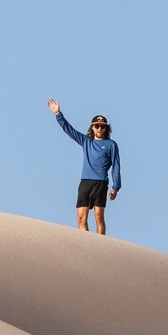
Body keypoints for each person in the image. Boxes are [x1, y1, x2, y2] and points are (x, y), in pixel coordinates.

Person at [46, 99, 121, 234]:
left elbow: (116, 166)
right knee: (81, 218)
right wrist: (58, 114)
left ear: (106, 128)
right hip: (85, 182)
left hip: (100, 183)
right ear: (92, 127)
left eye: (102, 126)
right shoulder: (86, 141)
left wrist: (116, 187)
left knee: (98, 217)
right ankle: (86, 243)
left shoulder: (111, 145)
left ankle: (101, 244)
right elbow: (69, 130)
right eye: (97, 126)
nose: (100, 129)